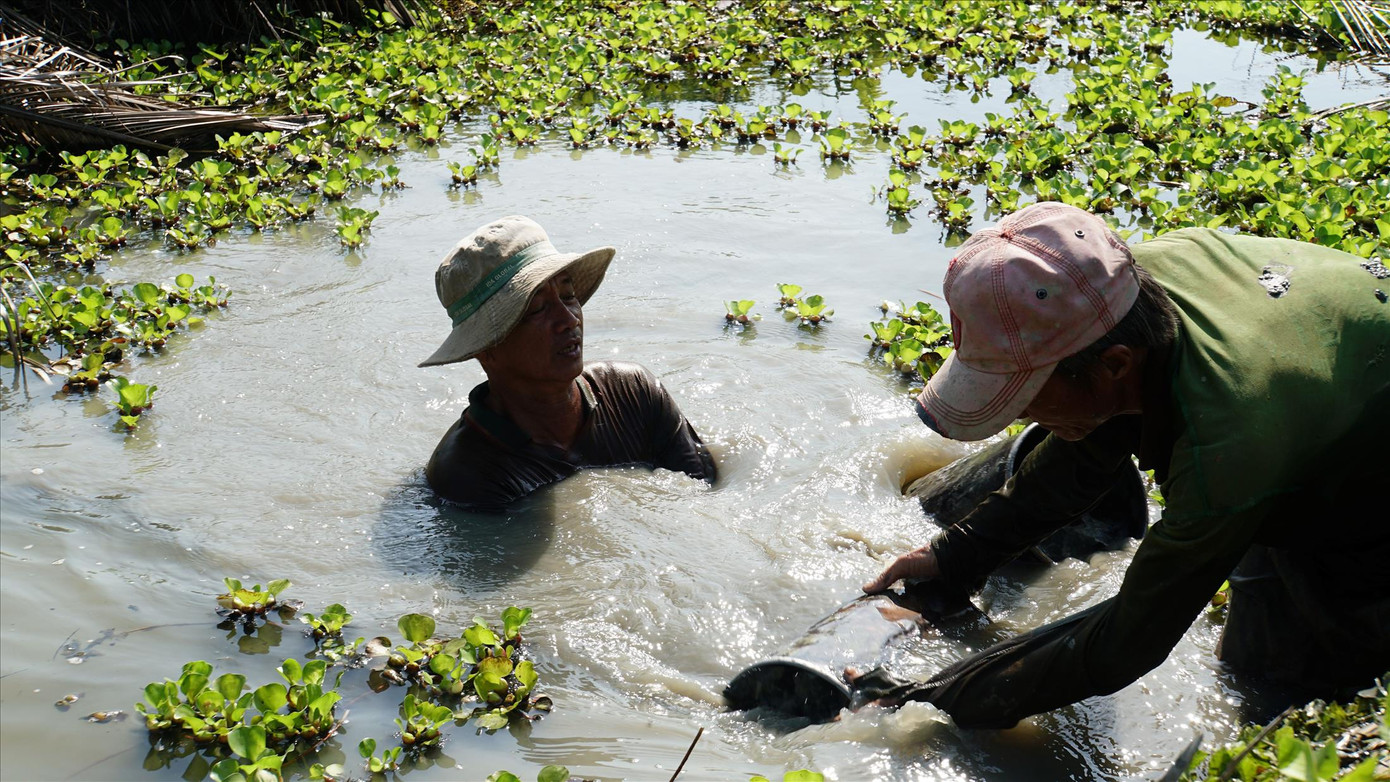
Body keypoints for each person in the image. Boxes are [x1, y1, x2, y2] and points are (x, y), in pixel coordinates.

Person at [856, 201, 1390, 729]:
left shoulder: (1227, 443)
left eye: (1029, 393)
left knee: (1305, 686)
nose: (1018, 414)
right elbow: (1088, 447)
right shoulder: (1113, 290)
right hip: (1310, 396)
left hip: (1361, 465)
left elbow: (1128, 640)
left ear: (1114, 365)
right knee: (1253, 660)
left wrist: (929, 699)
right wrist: (955, 555)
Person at [420, 215, 716, 510]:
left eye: (568, 294)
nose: (569, 319)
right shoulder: (468, 475)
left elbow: (706, 498)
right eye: (536, 308)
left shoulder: (634, 393)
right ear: (486, 348)